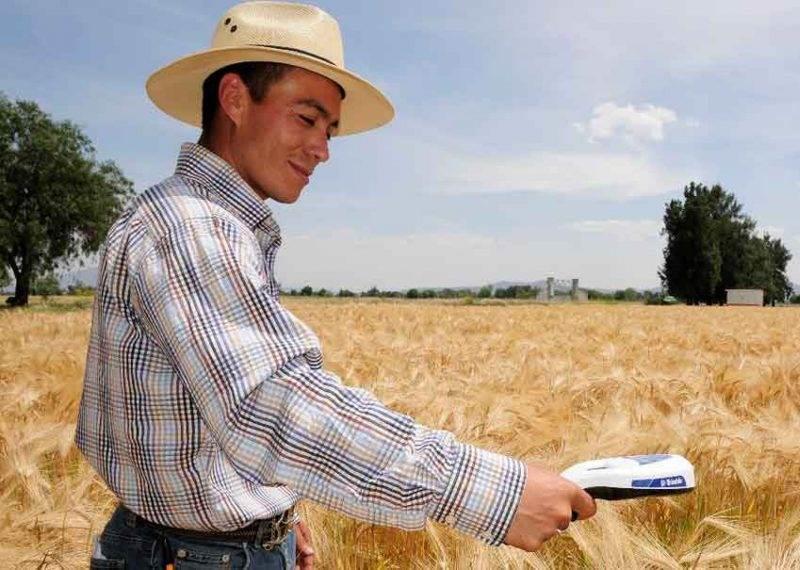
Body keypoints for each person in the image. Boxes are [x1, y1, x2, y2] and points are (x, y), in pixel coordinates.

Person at [76, 2, 595, 568]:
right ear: (234, 99)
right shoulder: (193, 228)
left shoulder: (181, 217)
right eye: (306, 118)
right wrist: (495, 493)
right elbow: (268, 402)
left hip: (196, 546)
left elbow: (200, 409)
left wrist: (270, 517)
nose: (323, 149)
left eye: (329, 129)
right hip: (191, 556)